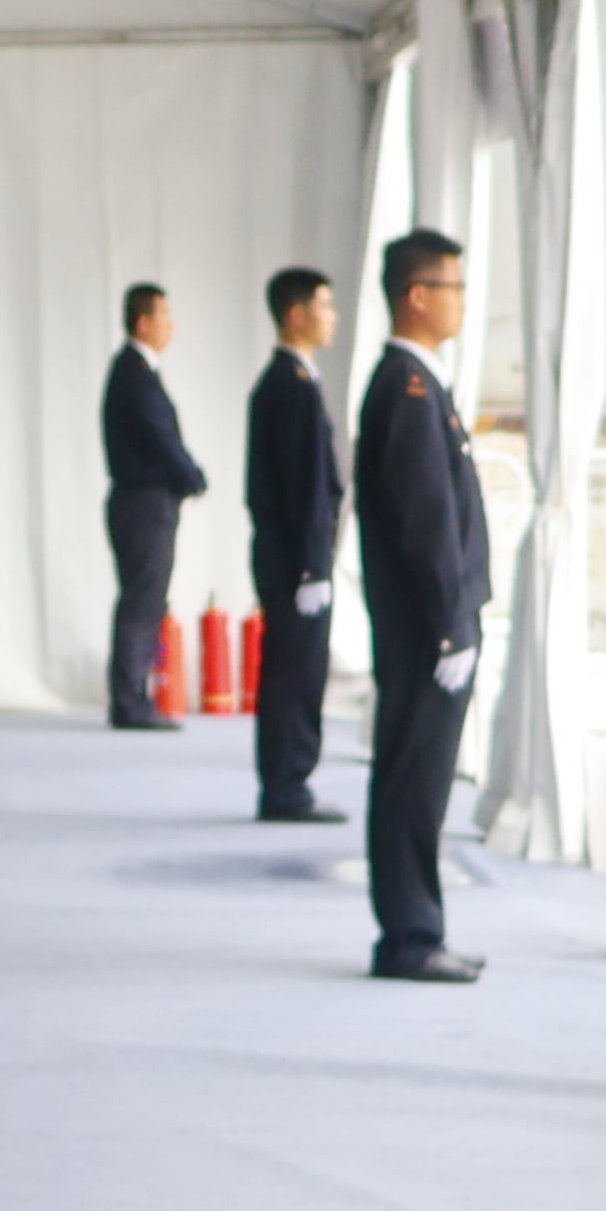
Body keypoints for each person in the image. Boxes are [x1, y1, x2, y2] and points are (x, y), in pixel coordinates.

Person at [354, 235, 493, 980]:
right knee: (414, 782)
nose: (461, 301)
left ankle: (418, 927)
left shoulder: (420, 384)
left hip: (427, 627)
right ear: (417, 296)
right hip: (423, 632)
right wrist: (449, 630)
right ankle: (408, 936)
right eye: (452, 287)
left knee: (421, 782)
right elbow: (427, 522)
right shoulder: (407, 388)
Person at [243, 268, 348, 822]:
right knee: (296, 673)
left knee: (292, 669)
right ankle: (288, 786)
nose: (332, 317)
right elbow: (307, 488)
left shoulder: (288, 380)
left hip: (284, 555)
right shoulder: (292, 386)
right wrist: (313, 567)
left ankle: (286, 781)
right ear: (296, 314)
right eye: (323, 306)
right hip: (294, 561)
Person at [101, 284, 208, 728]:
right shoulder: (135, 372)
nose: (171, 324)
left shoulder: (139, 370)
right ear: (143, 323)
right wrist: (192, 476)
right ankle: (130, 702)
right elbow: (159, 437)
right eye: (164, 315)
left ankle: (133, 696)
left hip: (143, 502)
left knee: (144, 599)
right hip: (143, 503)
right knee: (143, 601)